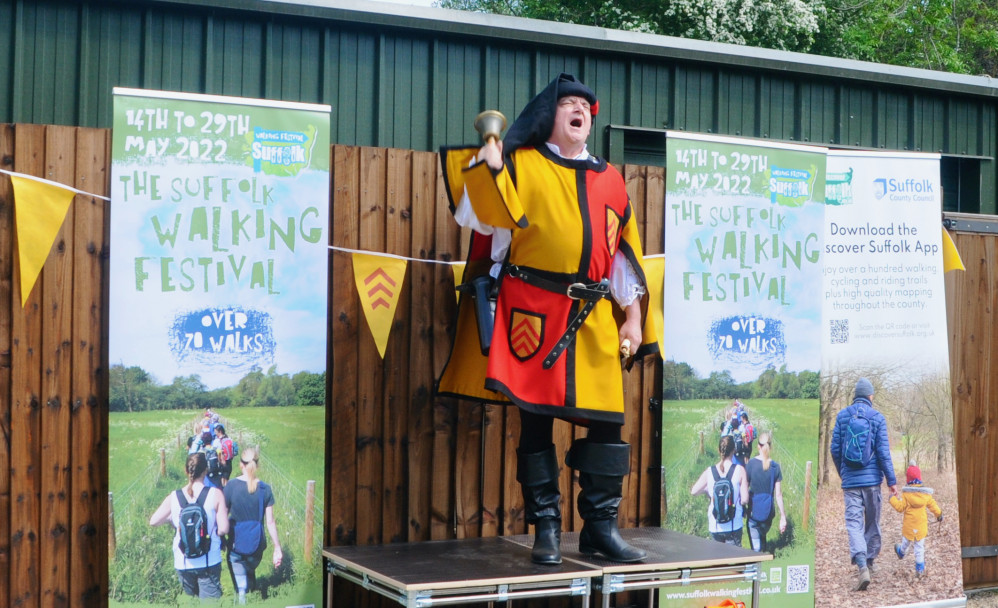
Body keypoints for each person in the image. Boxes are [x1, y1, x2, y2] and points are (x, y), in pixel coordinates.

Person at [438, 73, 659, 565]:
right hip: (531, 314)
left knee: (608, 424)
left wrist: (633, 318)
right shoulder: (520, 164)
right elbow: (477, 218)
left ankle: (600, 529)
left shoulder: (611, 179)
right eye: (569, 104)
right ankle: (547, 532)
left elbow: (625, 255)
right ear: (549, 116)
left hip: (592, 316)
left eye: (585, 105)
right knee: (535, 423)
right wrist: (490, 166)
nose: (580, 110)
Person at [829, 377, 898, 591]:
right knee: (872, 522)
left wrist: (844, 474)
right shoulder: (877, 418)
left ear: (855, 395)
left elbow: (835, 449)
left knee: (853, 523)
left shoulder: (842, 416)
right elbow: (884, 453)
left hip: (850, 482)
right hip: (872, 482)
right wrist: (892, 482)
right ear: (870, 396)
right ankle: (869, 561)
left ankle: (861, 566)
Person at [149, 452, 229, 600]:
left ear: (186, 471)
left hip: (183, 561)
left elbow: (153, 521)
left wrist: (173, 519)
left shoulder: (175, 496)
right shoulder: (215, 494)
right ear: (206, 470)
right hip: (209, 560)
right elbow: (224, 529)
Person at [223, 447, 284, 604]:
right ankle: (253, 593)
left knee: (240, 586)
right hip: (257, 544)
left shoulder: (230, 486)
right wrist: (277, 547)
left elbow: (223, 516)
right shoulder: (265, 489)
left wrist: (220, 538)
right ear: (257, 465)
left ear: (240, 464)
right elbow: (270, 521)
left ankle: (244, 598)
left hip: (236, 542)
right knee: (250, 570)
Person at [691, 435, 748, 546]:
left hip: (715, 525)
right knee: (734, 560)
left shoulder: (710, 471)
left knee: (718, 560)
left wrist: (707, 491)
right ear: (734, 450)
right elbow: (744, 500)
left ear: (718, 450)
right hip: (734, 524)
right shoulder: (740, 470)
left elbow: (694, 491)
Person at [891, 462, 942, 578]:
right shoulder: (926, 495)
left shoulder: (906, 495)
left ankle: (901, 552)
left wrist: (892, 499)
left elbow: (899, 507)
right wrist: (939, 515)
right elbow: (933, 506)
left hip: (909, 527)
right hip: (921, 527)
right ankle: (919, 569)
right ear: (920, 478)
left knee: (906, 542)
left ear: (908, 480)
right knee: (919, 548)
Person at [744, 431, 787, 552]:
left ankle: (758, 560)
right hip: (768, 513)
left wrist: (742, 508)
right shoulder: (775, 467)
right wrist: (783, 517)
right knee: (763, 536)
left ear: (758, 446)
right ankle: (763, 553)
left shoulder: (751, 464)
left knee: (755, 547)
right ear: (770, 446)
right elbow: (778, 494)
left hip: (753, 511)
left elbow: (745, 489)